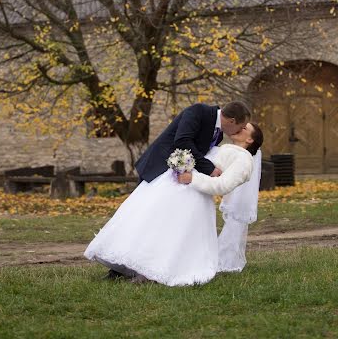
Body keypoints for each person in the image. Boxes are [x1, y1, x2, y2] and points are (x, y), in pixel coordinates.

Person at [84, 122, 263, 286]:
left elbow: (223, 185)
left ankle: (151, 272)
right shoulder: (222, 146)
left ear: (250, 139)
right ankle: (127, 266)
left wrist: (192, 178)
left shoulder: (244, 160)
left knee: (169, 232)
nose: (239, 126)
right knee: (148, 223)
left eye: (245, 127)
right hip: (178, 189)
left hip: (194, 196)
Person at [135, 101, 251, 182]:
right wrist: (209, 169)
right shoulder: (199, 111)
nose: (240, 130)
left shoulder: (218, 134)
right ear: (232, 121)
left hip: (178, 176)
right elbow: (182, 141)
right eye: (241, 127)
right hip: (157, 167)